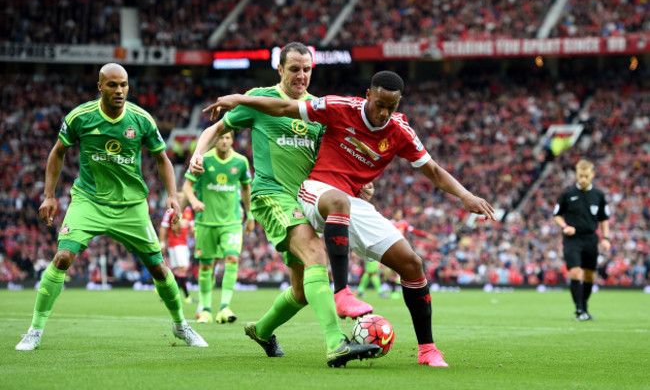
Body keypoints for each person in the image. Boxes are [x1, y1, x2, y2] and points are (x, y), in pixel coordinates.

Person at [208, 70, 497, 367]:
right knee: (338, 203)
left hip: (351, 204)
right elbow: (284, 108)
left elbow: (433, 170)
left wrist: (465, 196)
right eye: (379, 104)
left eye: (391, 107)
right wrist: (239, 99)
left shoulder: (399, 131)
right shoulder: (340, 107)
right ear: (368, 95)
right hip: (316, 191)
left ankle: (427, 350)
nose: (384, 112)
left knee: (412, 264)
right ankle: (342, 293)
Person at [189, 42, 379, 367]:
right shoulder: (261, 99)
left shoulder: (317, 109)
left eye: (306, 69)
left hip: (305, 201)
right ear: (280, 69)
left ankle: (261, 330)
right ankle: (337, 344)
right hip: (271, 194)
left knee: (303, 291)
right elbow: (216, 128)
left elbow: (330, 158)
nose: (301, 75)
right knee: (317, 254)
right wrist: (197, 154)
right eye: (294, 69)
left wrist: (358, 182)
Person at [15, 63, 207, 351]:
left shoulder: (141, 119)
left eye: (124, 85)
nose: (120, 90)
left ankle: (181, 325)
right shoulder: (80, 117)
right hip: (88, 200)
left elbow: (162, 159)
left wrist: (172, 195)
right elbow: (58, 152)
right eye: (113, 85)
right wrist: (49, 195)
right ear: (100, 87)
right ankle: (34, 330)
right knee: (63, 257)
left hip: (131, 205)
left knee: (158, 268)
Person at [183, 130, 254, 324]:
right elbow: (187, 186)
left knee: (232, 258)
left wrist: (250, 214)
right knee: (206, 265)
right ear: (215, 140)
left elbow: (246, 189)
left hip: (231, 222)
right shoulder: (202, 160)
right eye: (221, 137)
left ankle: (224, 307)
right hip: (205, 221)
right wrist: (194, 201)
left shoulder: (240, 162)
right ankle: (205, 309)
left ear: (232, 140)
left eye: (228, 138)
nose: (224, 141)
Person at [553, 159, 611, 321]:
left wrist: (605, 238)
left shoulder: (598, 195)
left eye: (586, 176)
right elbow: (556, 215)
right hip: (572, 238)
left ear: (592, 175)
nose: (583, 179)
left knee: (590, 276)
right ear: (576, 175)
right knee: (575, 271)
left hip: (591, 238)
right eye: (580, 176)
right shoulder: (567, 194)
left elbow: (604, 218)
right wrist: (565, 226)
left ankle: (584, 306)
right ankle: (579, 311)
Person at [159, 192, 196, 304]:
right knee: (182, 269)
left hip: (184, 244)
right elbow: (164, 228)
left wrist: (197, 239)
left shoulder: (188, 211)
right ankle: (186, 296)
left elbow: (192, 227)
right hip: (174, 244)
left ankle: (164, 290)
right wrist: (162, 244)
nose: (180, 200)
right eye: (178, 198)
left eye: (182, 198)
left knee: (178, 270)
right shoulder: (170, 212)